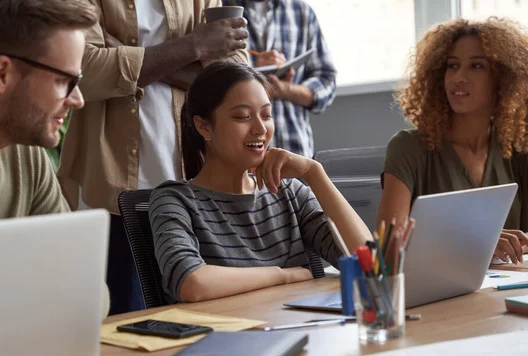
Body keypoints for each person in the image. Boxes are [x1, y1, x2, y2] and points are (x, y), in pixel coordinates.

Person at [58, 0, 249, 314]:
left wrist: (133, 58)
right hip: (111, 193)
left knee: (208, 324)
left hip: (195, 192)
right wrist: (194, 46)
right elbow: (84, 71)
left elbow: (234, 82)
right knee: (122, 330)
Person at [0, 0, 110, 316]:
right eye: (65, 80)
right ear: (2, 73)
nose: (77, 100)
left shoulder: (27, 160)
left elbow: (90, 295)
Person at [149, 61, 370, 303]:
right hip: (224, 337)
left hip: (295, 332)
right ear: (204, 126)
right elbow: (192, 283)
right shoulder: (174, 200)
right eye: (242, 116)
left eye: (266, 115)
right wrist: (281, 276)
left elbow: (368, 262)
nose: (260, 129)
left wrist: (314, 173)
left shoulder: (290, 193)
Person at [377, 17, 528, 264]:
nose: (459, 76)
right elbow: (389, 247)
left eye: (476, 66)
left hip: (507, 288)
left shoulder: (519, 147)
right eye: (452, 65)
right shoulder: (408, 147)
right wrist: (476, 244)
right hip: (436, 294)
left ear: (503, 78)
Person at [224, 0, 337, 157]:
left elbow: (327, 81)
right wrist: (254, 73)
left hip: (296, 151)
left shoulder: (302, 11)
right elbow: (211, 85)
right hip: (240, 159)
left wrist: (285, 90)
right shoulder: (220, 10)